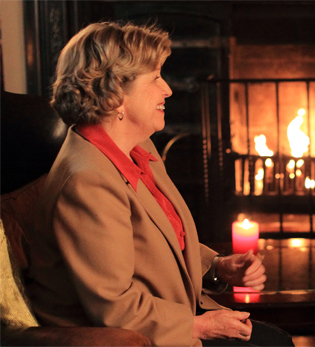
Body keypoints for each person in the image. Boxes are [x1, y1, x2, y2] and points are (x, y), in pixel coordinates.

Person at [25, 22, 293, 347]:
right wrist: (202, 326)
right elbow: (116, 308)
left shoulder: (138, 147)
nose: (167, 89)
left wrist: (218, 267)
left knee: (275, 339)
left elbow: (158, 243)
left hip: (174, 314)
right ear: (116, 95)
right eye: (154, 78)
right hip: (137, 338)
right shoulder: (87, 181)